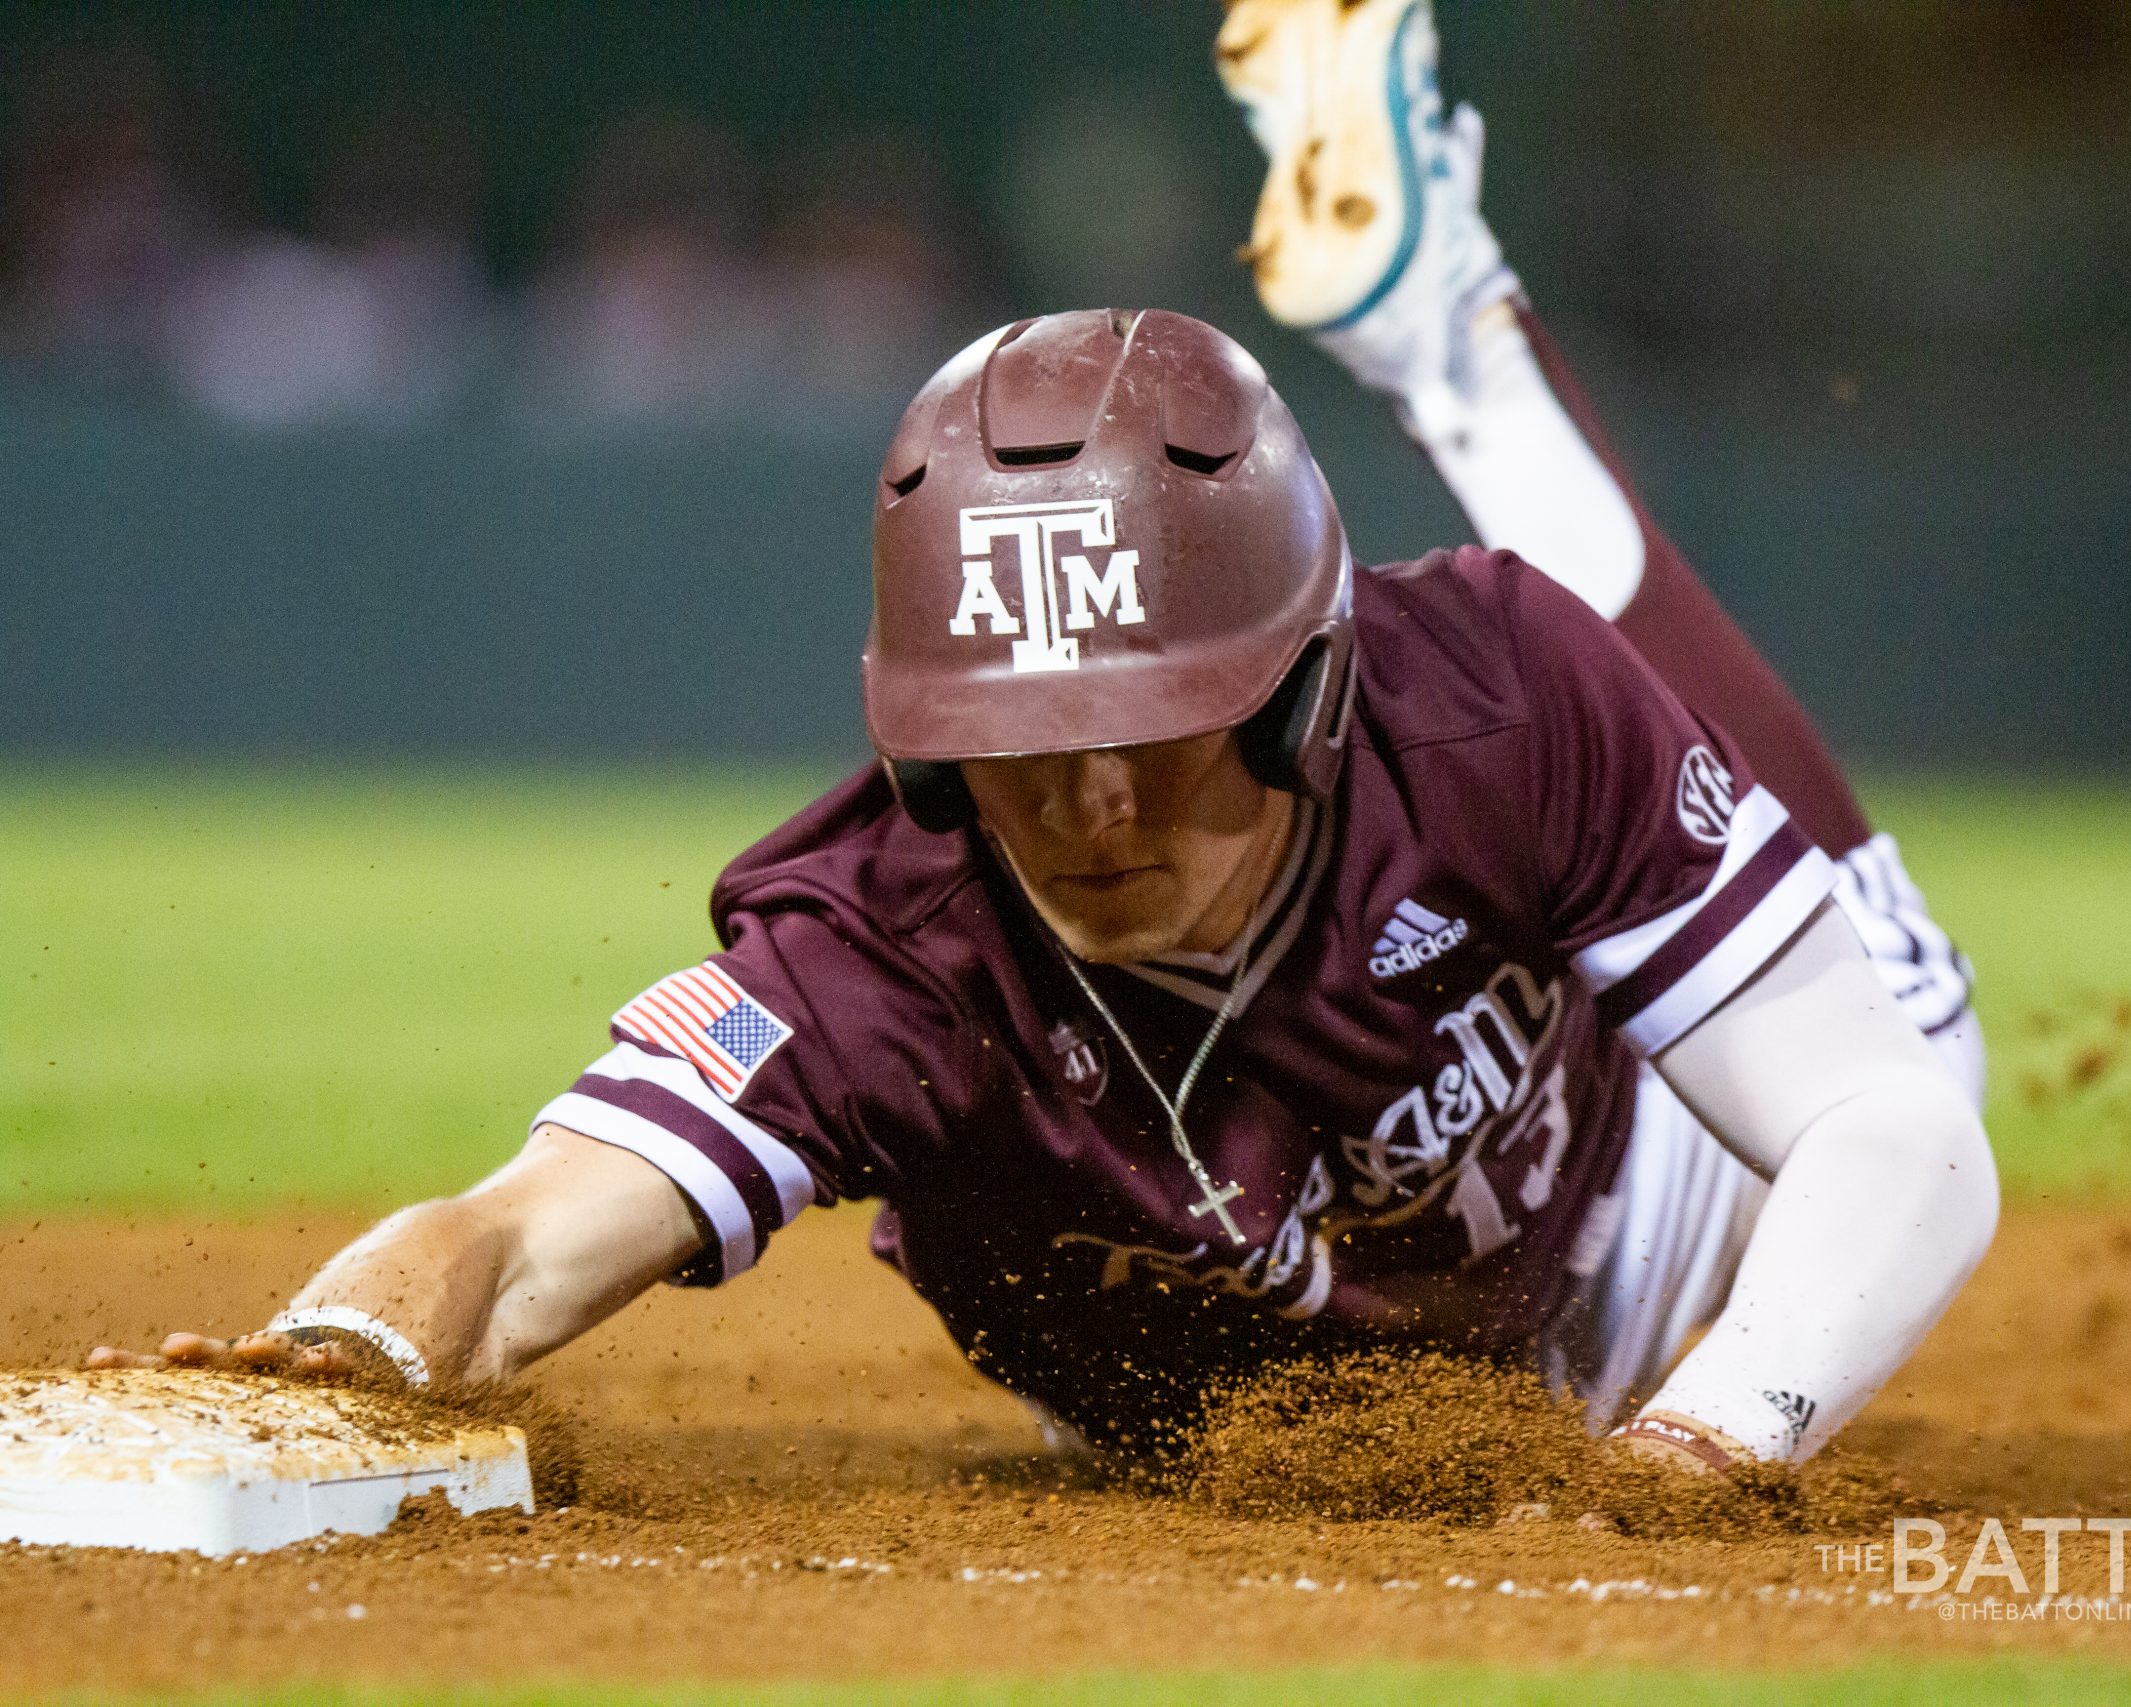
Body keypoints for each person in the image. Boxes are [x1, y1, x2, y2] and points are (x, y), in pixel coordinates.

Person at [94, 2, 1996, 1475]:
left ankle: (1455, 351)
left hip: (1650, 1228)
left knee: (1920, 1025)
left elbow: (1897, 1138)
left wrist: (1716, 1433)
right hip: (1215, 1438)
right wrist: (341, 1359)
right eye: (1014, 742)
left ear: (1305, 694)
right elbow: (514, 1243)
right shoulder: (881, 957)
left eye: (1153, 729)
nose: (1084, 803)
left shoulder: (1480, 697)